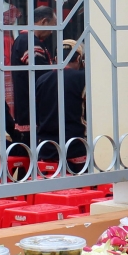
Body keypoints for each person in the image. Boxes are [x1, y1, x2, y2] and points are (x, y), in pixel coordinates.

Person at [36, 39, 87, 169]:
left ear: (56, 59)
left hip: (47, 148)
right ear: (79, 59)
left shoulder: (41, 80)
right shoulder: (82, 78)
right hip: (75, 147)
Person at [9, 6, 56, 144]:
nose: (53, 31)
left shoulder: (23, 39)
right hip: (32, 110)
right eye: (53, 26)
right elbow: (42, 78)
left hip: (27, 108)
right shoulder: (29, 42)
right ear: (44, 22)